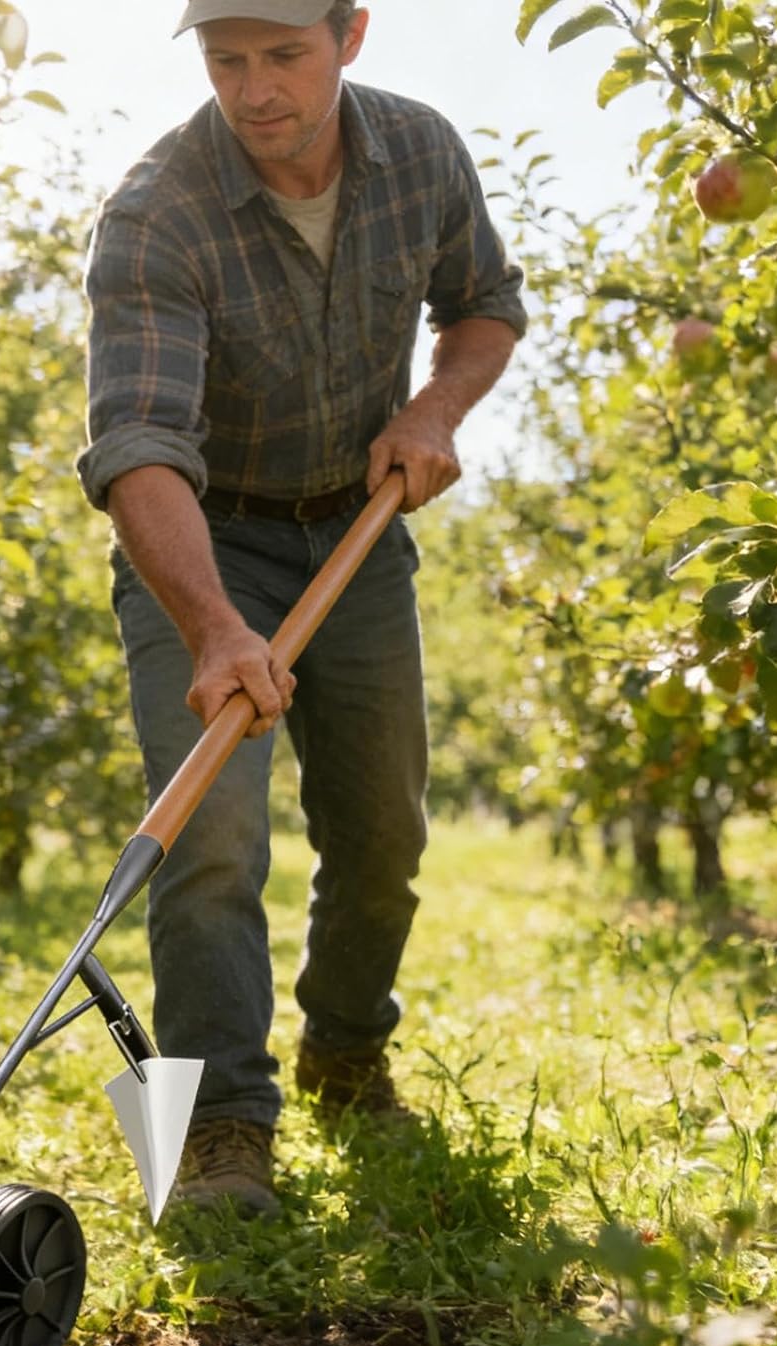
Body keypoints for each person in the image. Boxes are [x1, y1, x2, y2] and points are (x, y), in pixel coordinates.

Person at [77, 0, 526, 1216]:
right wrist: (215, 626)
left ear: (351, 36)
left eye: (285, 55)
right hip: (205, 544)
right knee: (210, 840)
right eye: (228, 62)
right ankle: (220, 1127)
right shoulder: (158, 209)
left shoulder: (422, 153)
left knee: (384, 832)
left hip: (359, 533)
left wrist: (434, 413)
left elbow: (486, 304)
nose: (257, 89)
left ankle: (346, 1048)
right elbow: (138, 443)